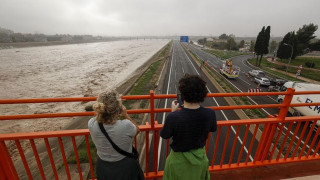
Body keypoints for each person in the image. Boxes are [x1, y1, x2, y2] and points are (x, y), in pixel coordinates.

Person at [160, 74, 217, 180]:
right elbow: (213, 128)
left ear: (182, 94)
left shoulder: (174, 117)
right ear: (203, 94)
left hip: (178, 163)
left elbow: (165, 135)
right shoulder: (210, 113)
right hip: (200, 160)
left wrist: (172, 112)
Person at [88, 89, 144, 180]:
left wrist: (114, 103)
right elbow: (137, 130)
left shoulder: (91, 123)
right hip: (124, 168)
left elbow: (100, 116)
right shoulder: (125, 125)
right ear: (119, 108)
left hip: (103, 167)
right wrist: (125, 114)